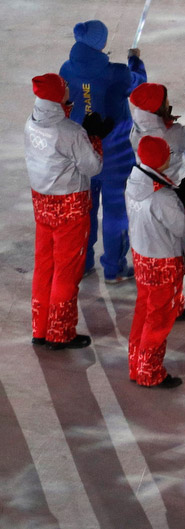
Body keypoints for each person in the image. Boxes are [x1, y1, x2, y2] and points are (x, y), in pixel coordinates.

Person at [58, 20, 145, 281]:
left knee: (85, 209)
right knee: (116, 211)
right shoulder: (117, 73)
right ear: (101, 43)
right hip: (114, 154)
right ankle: (114, 267)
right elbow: (140, 86)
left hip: (81, 152)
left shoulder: (66, 68)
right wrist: (135, 62)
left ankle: (82, 263)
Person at [25, 72, 103, 350]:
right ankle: (61, 332)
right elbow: (92, 167)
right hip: (69, 207)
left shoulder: (32, 123)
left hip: (42, 204)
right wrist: (94, 138)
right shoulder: (69, 132)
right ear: (57, 97)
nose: (69, 90)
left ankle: (41, 328)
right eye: (65, 89)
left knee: (44, 267)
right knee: (66, 272)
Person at [126, 136, 185, 388]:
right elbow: (182, 227)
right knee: (159, 321)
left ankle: (136, 364)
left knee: (143, 312)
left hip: (142, 257)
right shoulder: (162, 196)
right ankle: (150, 372)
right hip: (163, 261)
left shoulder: (135, 182)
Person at [128, 79, 185, 181]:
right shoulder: (174, 134)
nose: (168, 101)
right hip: (178, 186)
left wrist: (165, 115)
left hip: (152, 184)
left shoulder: (137, 128)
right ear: (160, 106)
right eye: (165, 99)